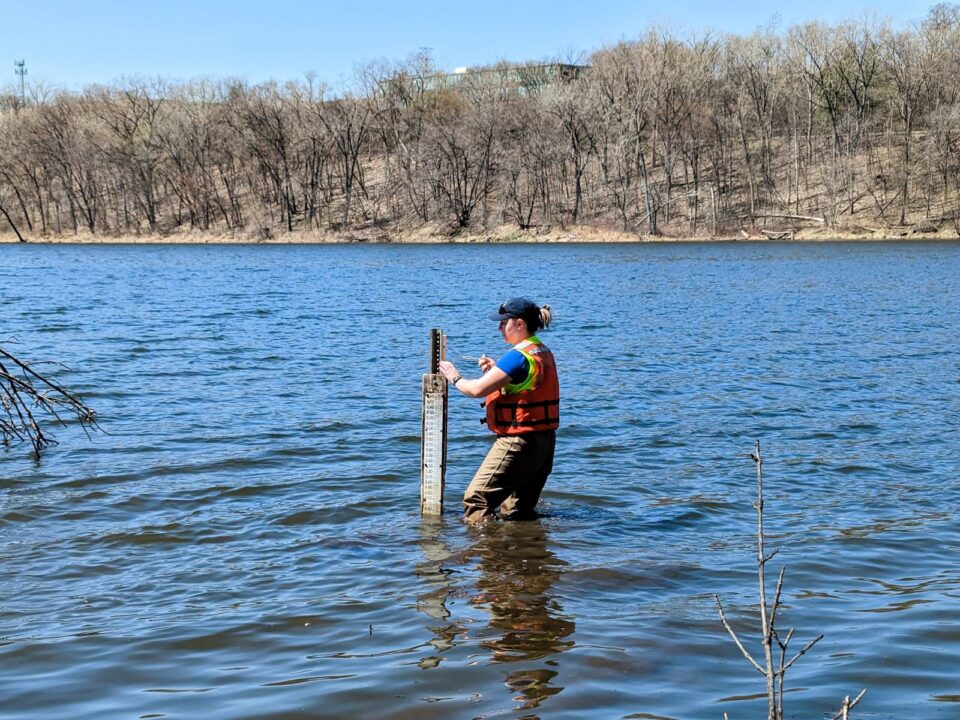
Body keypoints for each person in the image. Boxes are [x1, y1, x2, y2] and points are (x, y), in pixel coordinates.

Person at [439, 298, 559, 523]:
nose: (499, 328)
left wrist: (453, 376)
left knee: (476, 499)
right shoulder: (540, 350)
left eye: (504, 322)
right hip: (544, 442)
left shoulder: (517, 356)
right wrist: (496, 369)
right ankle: (525, 553)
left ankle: (487, 553)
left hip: (518, 441)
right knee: (518, 508)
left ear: (520, 324)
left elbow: (476, 390)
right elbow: (525, 384)